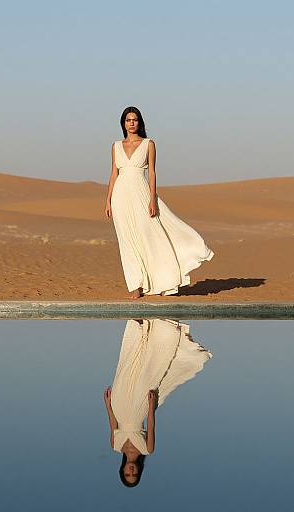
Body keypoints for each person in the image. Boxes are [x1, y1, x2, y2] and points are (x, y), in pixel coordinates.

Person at [104, 106, 215, 299]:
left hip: (141, 192)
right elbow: (114, 174)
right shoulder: (115, 146)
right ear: (123, 123)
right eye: (128, 120)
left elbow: (153, 173)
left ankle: (167, 281)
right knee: (127, 241)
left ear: (140, 122)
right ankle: (135, 286)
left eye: (135, 119)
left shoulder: (149, 144)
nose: (131, 123)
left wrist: (152, 199)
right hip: (120, 197)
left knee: (152, 235)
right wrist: (108, 201)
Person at [103, 318, 213, 487]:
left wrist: (108, 404)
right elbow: (152, 426)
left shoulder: (115, 446)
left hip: (119, 405)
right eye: (134, 474)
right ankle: (155, 330)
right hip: (139, 410)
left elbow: (113, 424)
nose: (131, 471)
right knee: (145, 371)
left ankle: (137, 326)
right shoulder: (148, 449)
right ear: (139, 471)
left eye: (127, 473)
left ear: (122, 469)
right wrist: (151, 406)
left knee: (125, 367)